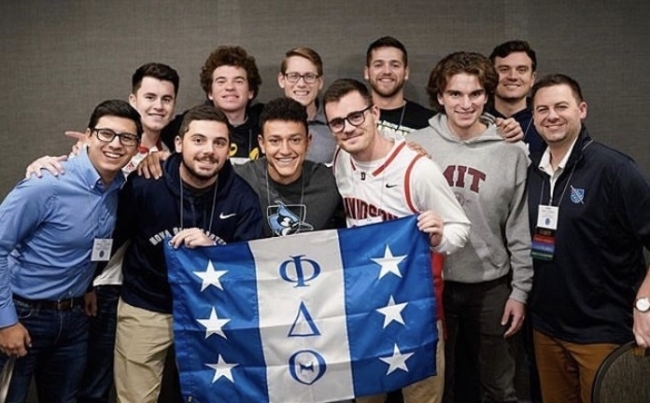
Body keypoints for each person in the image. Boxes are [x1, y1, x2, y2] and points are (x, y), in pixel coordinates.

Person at [23, 62, 180, 403]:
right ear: (133, 99)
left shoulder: (173, 155)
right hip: (96, 286)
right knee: (80, 384)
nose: (158, 105)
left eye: (166, 99)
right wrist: (43, 165)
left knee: (100, 383)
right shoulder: (101, 148)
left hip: (137, 286)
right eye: (150, 96)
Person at [323, 78, 471, 403]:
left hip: (416, 306)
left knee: (422, 397)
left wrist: (439, 236)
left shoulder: (417, 169)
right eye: (337, 122)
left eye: (356, 116)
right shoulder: (340, 161)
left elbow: (460, 226)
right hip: (364, 306)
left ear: (374, 112)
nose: (348, 128)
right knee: (366, 397)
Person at [113, 105, 263, 403]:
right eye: (199, 140)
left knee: (214, 396)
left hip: (212, 311)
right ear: (179, 144)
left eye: (219, 143)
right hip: (147, 304)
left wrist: (216, 251)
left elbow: (250, 267)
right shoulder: (146, 184)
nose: (209, 150)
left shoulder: (242, 197)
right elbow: (113, 234)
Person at [409, 51, 532, 403]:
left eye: (475, 94)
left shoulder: (511, 151)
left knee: (499, 386)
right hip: (433, 285)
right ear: (440, 97)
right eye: (455, 94)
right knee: (438, 386)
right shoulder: (415, 145)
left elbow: (519, 228)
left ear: (487, 95)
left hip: (490, 285)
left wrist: (520, 291)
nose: (466, 104)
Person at [0, 99, 142, 402]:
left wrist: (86, 286)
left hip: (74, 318)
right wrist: (6, 321)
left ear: (136, 147)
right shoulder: (45, 183)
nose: (116, 144)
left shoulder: (119, 187)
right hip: (23, 314)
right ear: (88, 135)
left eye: (126, 138)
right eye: (106, 134)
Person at [526, 73, 650, 403]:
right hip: (546, 329)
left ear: (582, 109)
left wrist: (644, 303)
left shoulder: (615, 169)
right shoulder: (532, 172)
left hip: (602, 332)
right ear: (534, 118)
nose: (551, 115)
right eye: (542, 109)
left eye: (561, 106)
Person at [236, 96, 344, 236]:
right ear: (262, 144)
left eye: (295, 140)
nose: (285, 150)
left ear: (308, 142)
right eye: (275, 141)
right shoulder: (240, 180)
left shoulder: (331, 182)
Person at [161, 45, 263, 165]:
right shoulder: (188, 122)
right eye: (221, 81)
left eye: (238, 81)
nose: (230, 87)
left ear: (250, 91)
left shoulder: (266, 123)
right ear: (210, 92)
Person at [364, 36, 435, 138]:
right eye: (378, 65)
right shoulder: (353, 116)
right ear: (367, 72)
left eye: (395, 65)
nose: (387, 71)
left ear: (406, 73)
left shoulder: (428, 122)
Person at [278, 47, 337, 164]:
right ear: (281, 80)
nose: (301, 84)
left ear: (320, 82)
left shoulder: (336, 125)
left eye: (309, 76)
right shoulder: (266, 123)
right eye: (294, 76)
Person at [489, 40, 544, 153]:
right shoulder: (476, 120)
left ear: (532, 78)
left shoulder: (546, 121)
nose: (513, 76)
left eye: (521, 70)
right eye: (504, 69)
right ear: (491, 76)